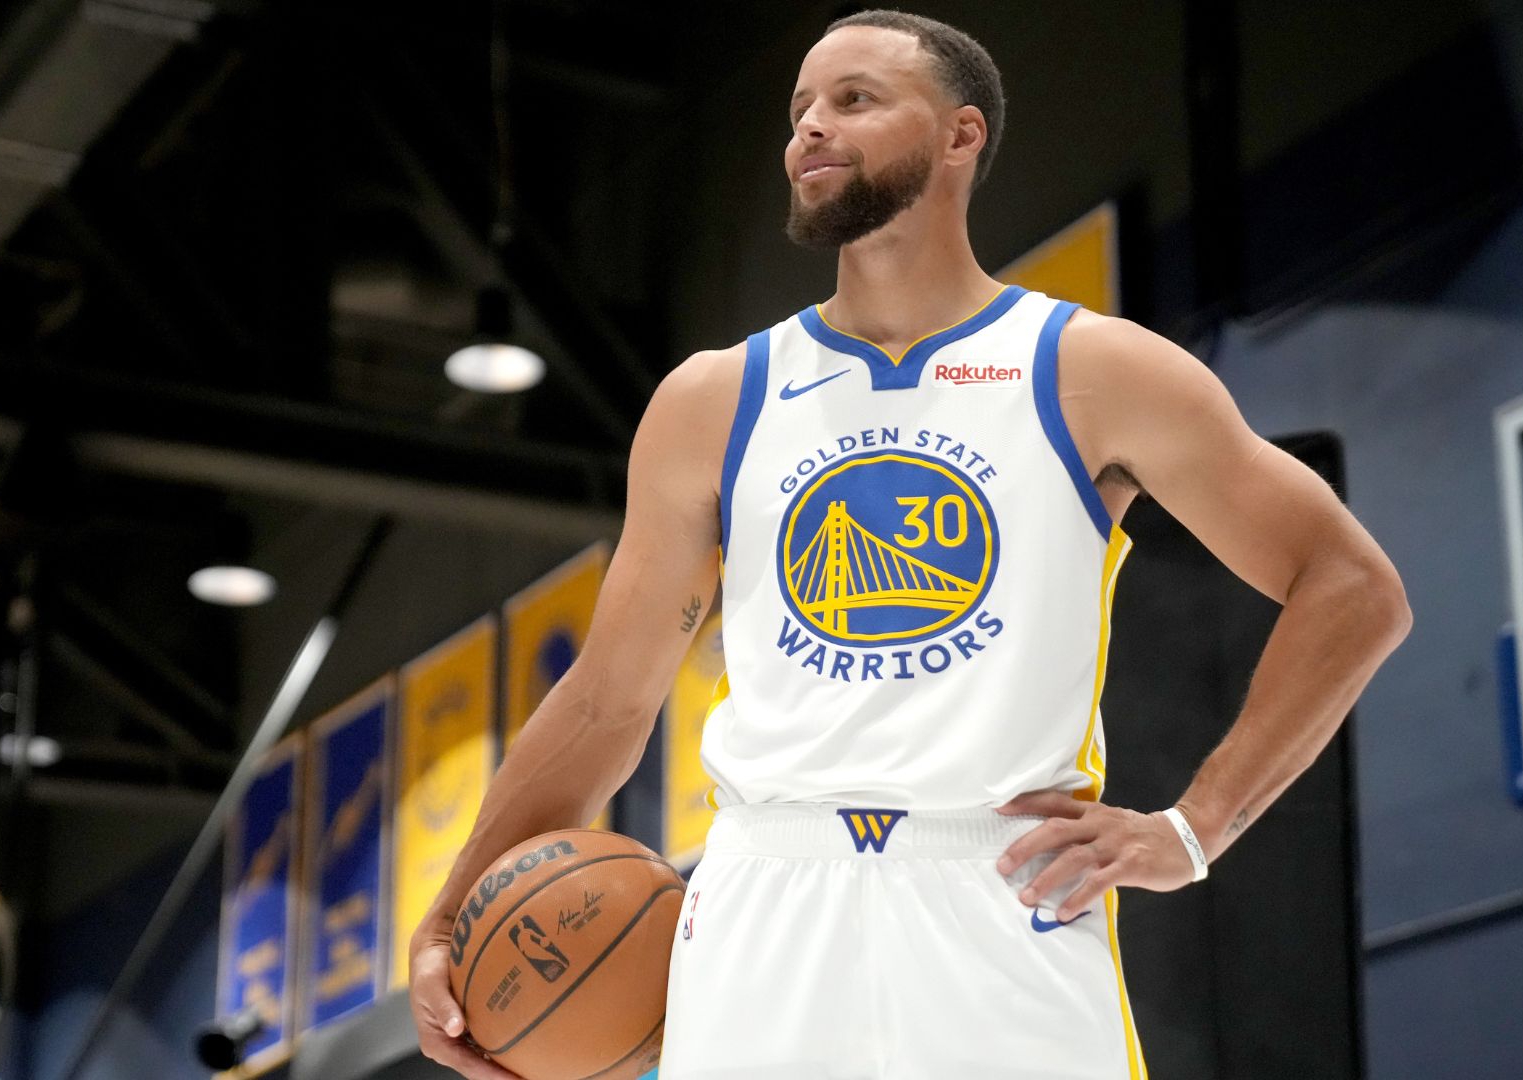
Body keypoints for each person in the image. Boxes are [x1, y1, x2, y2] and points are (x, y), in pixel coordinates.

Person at [409, 10, 1411, 1078]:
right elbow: (610, 697)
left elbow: (1353, 587)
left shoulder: (1093, 369)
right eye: (798, 111)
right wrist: (455, 912)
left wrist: (1196, 826)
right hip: (763, 892)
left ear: (960, 136)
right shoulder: (714, 398)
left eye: (853, 100)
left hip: (1000, 886)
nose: (809, 131)